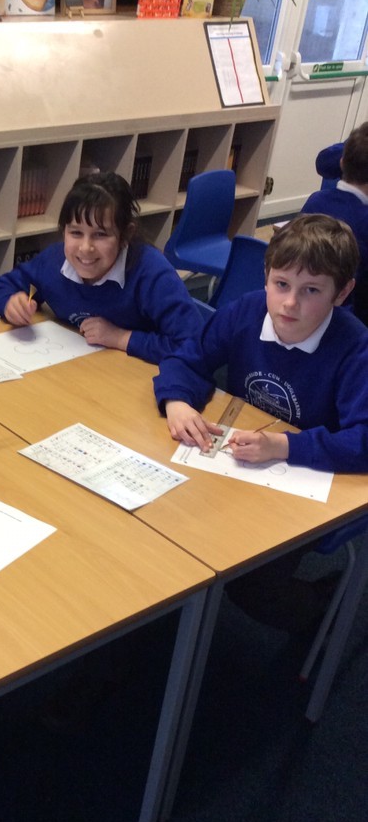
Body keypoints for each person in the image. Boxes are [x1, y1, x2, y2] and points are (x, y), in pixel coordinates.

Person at [154, 214, 368, 633]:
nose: (290, 303)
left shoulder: (355, 347)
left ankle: (320, 609)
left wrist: (285, 446)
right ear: (266, 276)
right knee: (167, 524)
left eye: (311, 291)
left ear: (342, 293)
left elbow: (363, 440)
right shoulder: (248, 310)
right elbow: (186, 359)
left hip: (305, 484)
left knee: (251, 582)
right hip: (235, 469)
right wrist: (177, 401)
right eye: (281, 284)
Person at [0, 172, 203, 365]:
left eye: (100, 235)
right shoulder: (54, 261)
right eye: (75, 233)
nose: (85, 248)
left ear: (125, 235)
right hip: (79, 368)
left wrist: (120, 337)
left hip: (137, 377)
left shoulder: (152, 274)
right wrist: (9, 303)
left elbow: (195, 345)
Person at [301, 122, 368, 323]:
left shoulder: (316, 200)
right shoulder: (363, 221)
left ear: (342, 163)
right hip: (347, 319)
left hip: (306, 304)